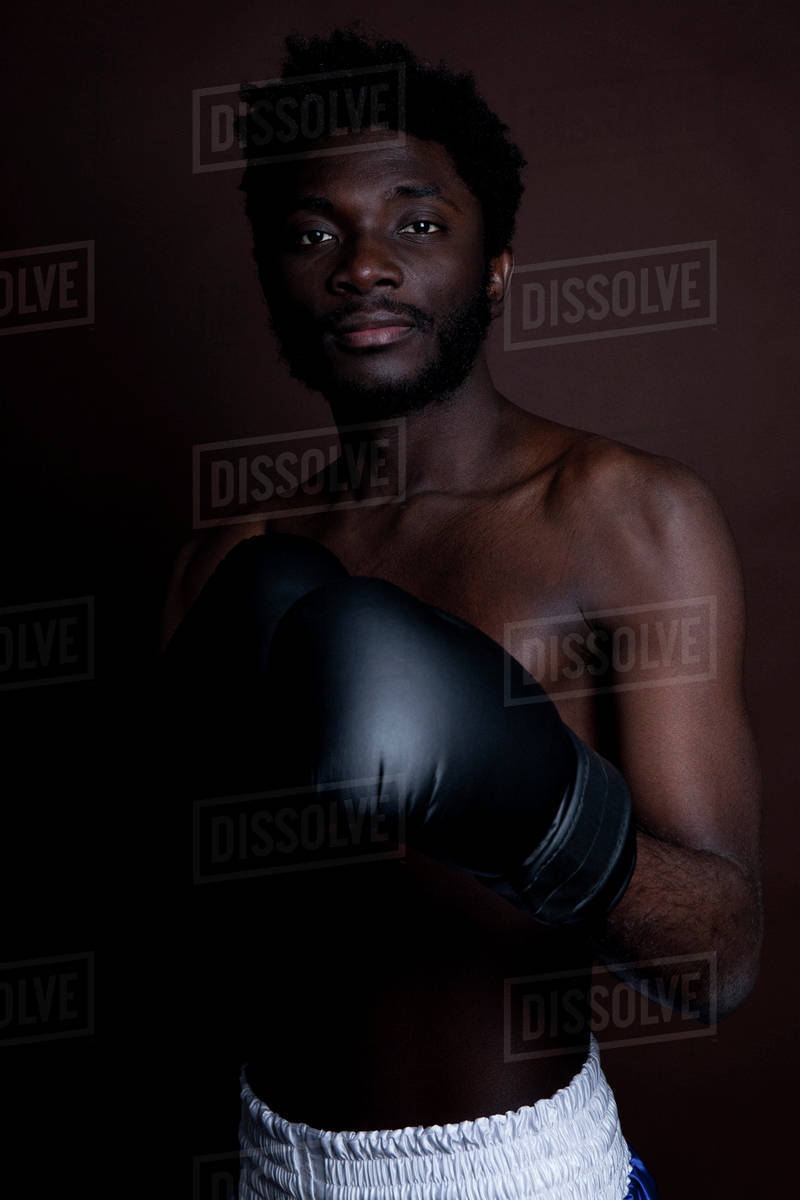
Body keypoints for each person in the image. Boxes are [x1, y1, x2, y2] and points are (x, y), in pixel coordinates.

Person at [160, 26, 761, 1199]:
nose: (364, 265)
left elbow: (720, 955)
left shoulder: (624, 515)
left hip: (516, 1174)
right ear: (274, 278)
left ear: (495, 266)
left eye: (416, 223)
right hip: (260, 1164)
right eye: (312, 233)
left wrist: (536, 809)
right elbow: (179, 951)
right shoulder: (219, 561)